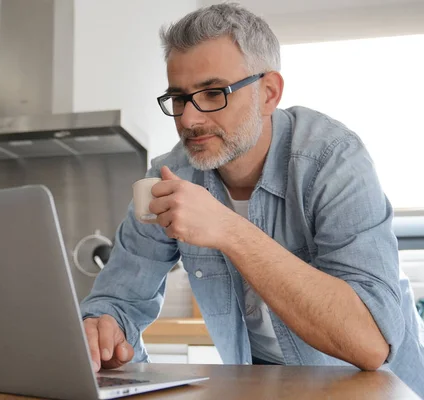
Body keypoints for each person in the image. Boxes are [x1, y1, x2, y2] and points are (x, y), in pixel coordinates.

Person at [79, 2, 424, 396]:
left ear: (269, 93)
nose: (189, 120)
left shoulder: (333, 160)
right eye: (179, 98)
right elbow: (118, 299)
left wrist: (227, 228)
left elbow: (371, 343)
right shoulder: (169, 177)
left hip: (375, 389)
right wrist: (103, 327)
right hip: (265, 387)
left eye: (213, 93)